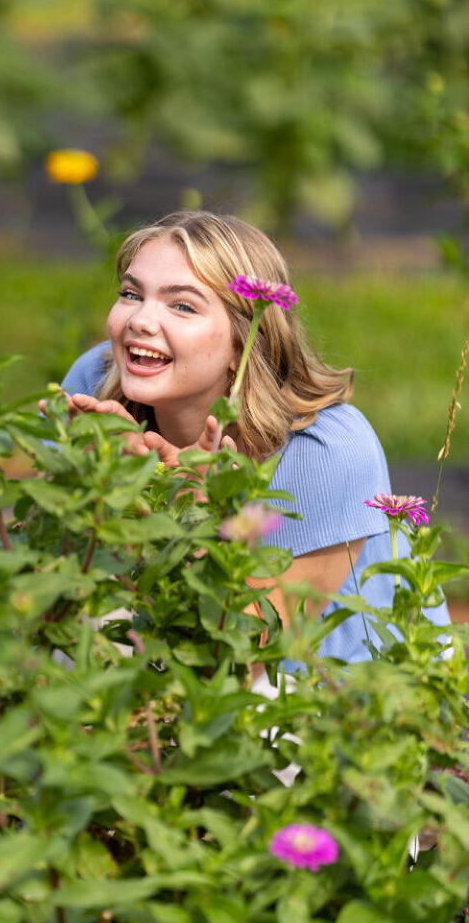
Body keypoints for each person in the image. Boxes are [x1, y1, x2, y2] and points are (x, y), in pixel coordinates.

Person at [54, 209, 450, 666]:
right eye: (130, 293)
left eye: (181, 305)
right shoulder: (98, 378)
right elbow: (51, 570)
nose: (140, 321)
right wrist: (95, 488)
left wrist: (192, 516)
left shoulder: (326, 448)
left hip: (335, 706)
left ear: (244, 342)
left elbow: (247, 655)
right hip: (163, 670)